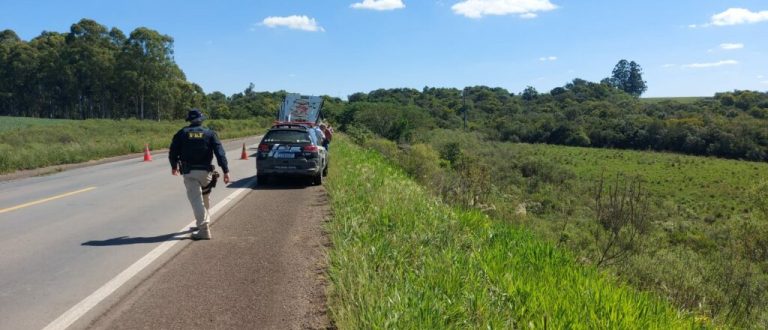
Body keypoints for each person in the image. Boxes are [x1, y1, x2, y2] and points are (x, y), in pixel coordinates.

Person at [169, 109, 230, 240]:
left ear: (189, 120)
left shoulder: (182, 133)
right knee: (205, 197)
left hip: (190, 172)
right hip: (206, 173)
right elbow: (220, 153)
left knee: (196, 199)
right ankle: (203, 223)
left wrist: (174, 166)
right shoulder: (210, 133)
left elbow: (173, 151)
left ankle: (203, 229)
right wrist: (225, 171)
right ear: (201, 120)